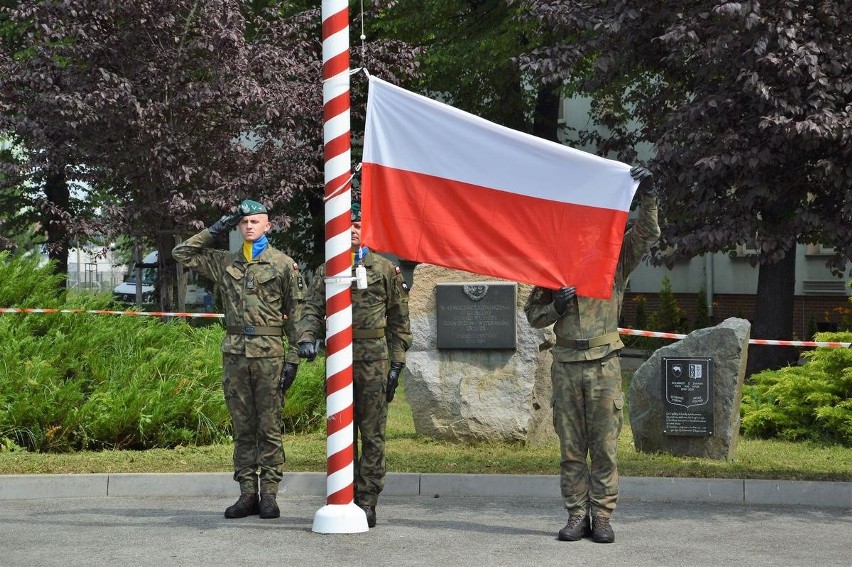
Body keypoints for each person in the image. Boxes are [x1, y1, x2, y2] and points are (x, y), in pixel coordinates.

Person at [523, 166, 660, 544]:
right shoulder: (552, 269)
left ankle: (601, 516)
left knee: (604, 447)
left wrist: (648, 194)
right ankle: (575, 514)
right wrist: (556, 307)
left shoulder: (613, 261)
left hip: (603, 366)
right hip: (566, 366)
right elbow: (533, 316)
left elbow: (647, 234)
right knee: (570, 449)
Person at [172, 199, 304, 520]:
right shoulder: (226, 261)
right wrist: (218, 227)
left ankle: (269, 494)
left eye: (255, 221)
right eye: (243, 222)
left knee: (269, 425)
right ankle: (247, 493)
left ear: (267, 226)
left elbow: (297, 315)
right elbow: (182, 253)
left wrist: (295, 357)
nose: (248, 226)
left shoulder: (284, 264)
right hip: (234, 354)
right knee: (242, 426)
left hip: (270, 353)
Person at [296, 202, 411, 528]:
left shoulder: (385, 270)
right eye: (347, 224)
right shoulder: (327, 270)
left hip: (373, 359)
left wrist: (396, 362)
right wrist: (306, 338)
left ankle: (367, 499)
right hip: (338, 360)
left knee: (372, 433)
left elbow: (399, 320)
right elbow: (312, 311)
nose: (353, 230)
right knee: (340, 429)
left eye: (359, 224)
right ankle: (342, 492)